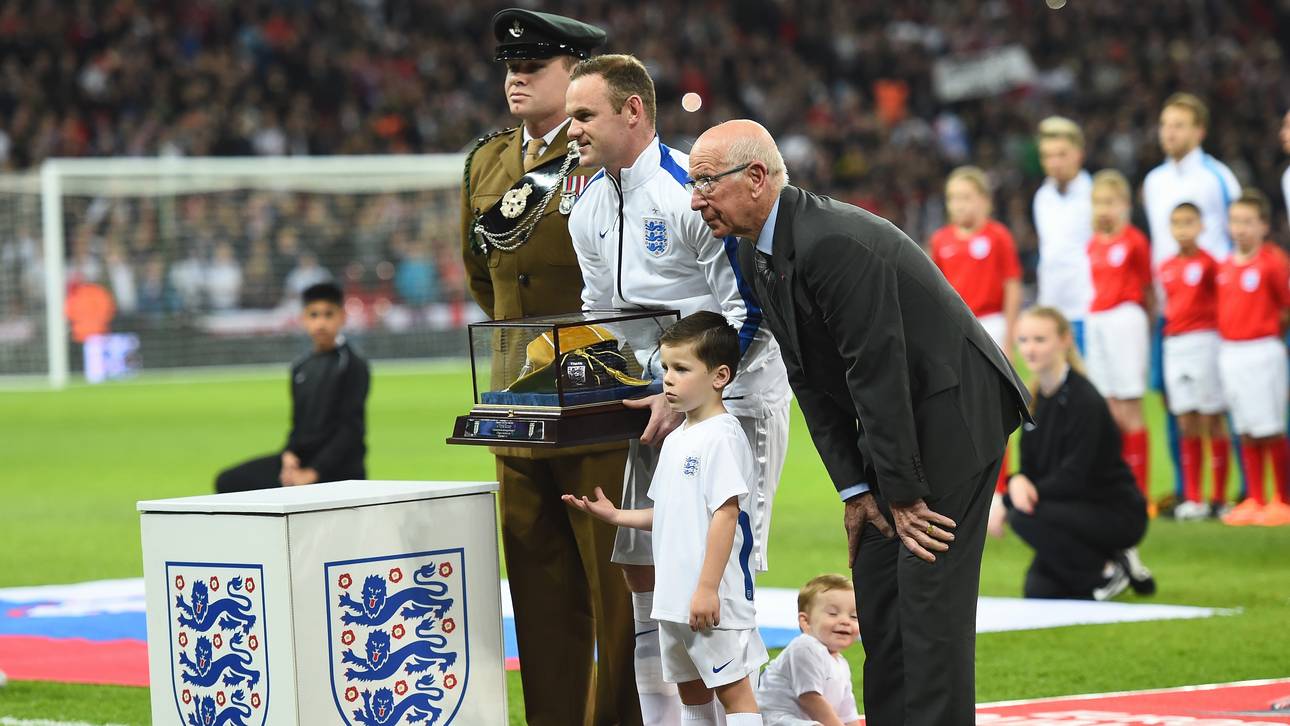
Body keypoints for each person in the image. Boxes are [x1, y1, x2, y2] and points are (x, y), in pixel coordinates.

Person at [691, 119, 1031, 726]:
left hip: (953, 419)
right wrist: (855, 488)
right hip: (898, 425)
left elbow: (878, 372)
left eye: (706, 182)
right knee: (880, 601)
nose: (696, 198)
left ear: (757, 178)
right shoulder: (757, 248)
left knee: (929, 609)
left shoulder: (831, 243)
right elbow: (809, 378)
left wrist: (899, 493)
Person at [565, 53, 792, 724]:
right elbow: (597, 311)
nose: (569, 130)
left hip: (732, 399)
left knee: (718, 574)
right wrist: (588, 378)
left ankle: (751, 715)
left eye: (584, 115)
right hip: (655, 400)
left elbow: (748, 311)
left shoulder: (688, 190)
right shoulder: (586, 207)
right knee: (643, 565)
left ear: (632, 111)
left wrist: (690, 389)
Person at [458, 10, 640, 725]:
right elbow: (484, 276)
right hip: (516, 408)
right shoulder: (487, 162)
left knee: (617, 595)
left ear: (578, 74)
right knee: (537, 599)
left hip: (601, 408)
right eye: (511, 64)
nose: (517, 74)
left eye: (536, 63)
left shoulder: (608, 154)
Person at [564, 312, 768, 726]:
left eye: (681, 369)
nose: (668, 380)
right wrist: (616, 515)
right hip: (674, 597)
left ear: (720, 376)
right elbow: (670, 513)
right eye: (665, 369)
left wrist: (707, 589)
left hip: (712, 599)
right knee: (691, 692)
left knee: (733, 691)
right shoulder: (676, 439)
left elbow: (725, 517)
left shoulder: (723, 436)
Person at [1005, 307, 1152, 600]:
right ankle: (1112, 563)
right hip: (1068, 511)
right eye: (1023, 340)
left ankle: (1108, 569)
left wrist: (1014, 495)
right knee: (1039, 589)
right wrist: (1016, 480)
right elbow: (1031, 468)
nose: (1030, 349)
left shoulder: (1084, 399)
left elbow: (1075, 477)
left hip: (1112, 510)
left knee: (1021, 515)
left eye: (1039, 339)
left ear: (1064, 340)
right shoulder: (1033, 403)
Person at [214, 282, 369, 492]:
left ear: (342, 317)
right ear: (303, 319)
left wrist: (313, 472)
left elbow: (350, 430)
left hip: (338, 471)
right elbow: (298, 425)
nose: (321, 323)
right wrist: (289, 454)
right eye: (313, 315)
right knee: (228, 481)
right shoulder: (300, 367)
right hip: (302, 462)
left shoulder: (352, 365)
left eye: (328, 315)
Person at [928, 165, 1023, 496]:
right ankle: (966, 480)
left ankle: (999, 485)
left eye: (967, 197)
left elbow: (1012, 285)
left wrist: (1010, 335)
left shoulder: (998, 236)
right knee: (959, 407)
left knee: (994, 408)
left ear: (985, 201)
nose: (960, 205)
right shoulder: (941, 240)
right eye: (953, 198)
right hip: (955, 329)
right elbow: (934, 293)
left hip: (991, 324)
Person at [1215, 190, 1290, 527]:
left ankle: (1284, 499)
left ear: (1264, 226)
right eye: (1235, 221)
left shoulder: (1273, 262)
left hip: (1263, 350)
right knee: (1245, 428)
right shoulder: (1225, 265)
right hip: (1231, 352)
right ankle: (1256, 498)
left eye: (1248, 222)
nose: (1240, 229)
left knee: (1270, 428)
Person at [1084, 170, 1154, 502]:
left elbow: (1147, 287)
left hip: (1126, 318)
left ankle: (1139, 490)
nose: (1103, 209)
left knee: (1129, 405)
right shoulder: (1093, 243)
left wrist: (1148, 325)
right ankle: (1117, 485)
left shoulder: (1134, 241)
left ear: (1125, 205)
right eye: (1098, 202)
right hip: (1098, 319)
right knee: (1108, 406)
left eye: (1110, 202)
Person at [1158, 203, 1230, 520]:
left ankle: (1218, 497)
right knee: (1185, 419)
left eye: (1188, 222)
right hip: (1175, 343)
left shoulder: (1211, 264)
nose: (1182, 229)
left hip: (1205, 340)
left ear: (1201, 226)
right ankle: (1194, 497)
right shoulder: (1166, 266)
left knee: (1211, 418)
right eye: (1176, 224)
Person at [755, 574, 861, 726]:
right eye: (833, 613)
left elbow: (847, 713)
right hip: (775, 719)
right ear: (806, 621)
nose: (845, 621)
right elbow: (810, 698)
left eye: (854, 616)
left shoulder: (841, 663)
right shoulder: (805, 647)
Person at [1032, 116, 1093, 353]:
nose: (1054, 162)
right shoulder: (1042, 197)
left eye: (1061, 154)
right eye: (1047, 156)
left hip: (1086, 305)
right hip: (1052, 305)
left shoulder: (1095, 195)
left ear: (1079, 153)